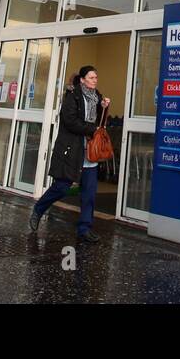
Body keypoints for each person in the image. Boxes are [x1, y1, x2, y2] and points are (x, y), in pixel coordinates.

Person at [29, 65, 110, 243]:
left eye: (96, 77)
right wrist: (92, 129)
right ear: (82, 80)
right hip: (72, 150)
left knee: (89, 192)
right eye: (91, 77)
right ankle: (38, 209)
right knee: (62, 187)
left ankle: (84, 229)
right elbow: (70, 121)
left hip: (90, 152)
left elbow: (101, 123)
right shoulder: (72, 96)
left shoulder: (97, 97)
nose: (95, 80)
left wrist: (104, 108)